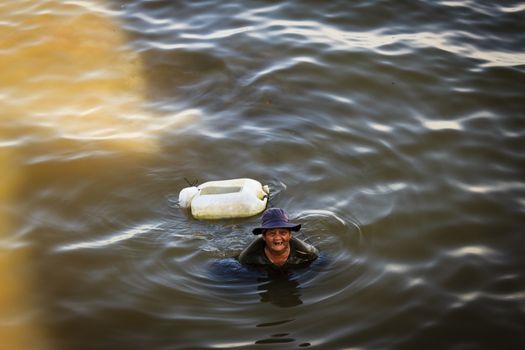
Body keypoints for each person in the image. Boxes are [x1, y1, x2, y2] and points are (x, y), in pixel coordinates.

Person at [238, 208, 319, 269]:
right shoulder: (248, 257)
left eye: (283, 233)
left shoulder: (308, 253)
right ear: (264, 236)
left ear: (290, 235)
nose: (277, 238)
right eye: (272, 233)